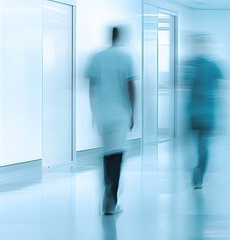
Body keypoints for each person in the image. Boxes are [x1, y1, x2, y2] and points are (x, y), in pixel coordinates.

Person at [86, 26, 136, 215]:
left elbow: (93, 86)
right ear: (120, 37)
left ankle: (107, 189)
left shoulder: (97, 57)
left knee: (107, 155)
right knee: (117, 156)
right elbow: (130, 86)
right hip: (120, 114)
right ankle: (111, 200)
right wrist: (133, 113)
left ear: (109, 36)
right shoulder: (126, 58)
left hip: (103, 114)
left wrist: (94, 111)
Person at [185, 34, 224, 189]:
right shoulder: (213, 65)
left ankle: (197, 171)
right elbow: (221, 87)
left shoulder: (191, 64)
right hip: (207, 112)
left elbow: (185, 84)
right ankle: (199, 174)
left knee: (194, 144)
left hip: (193, 112)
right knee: (204, 145)